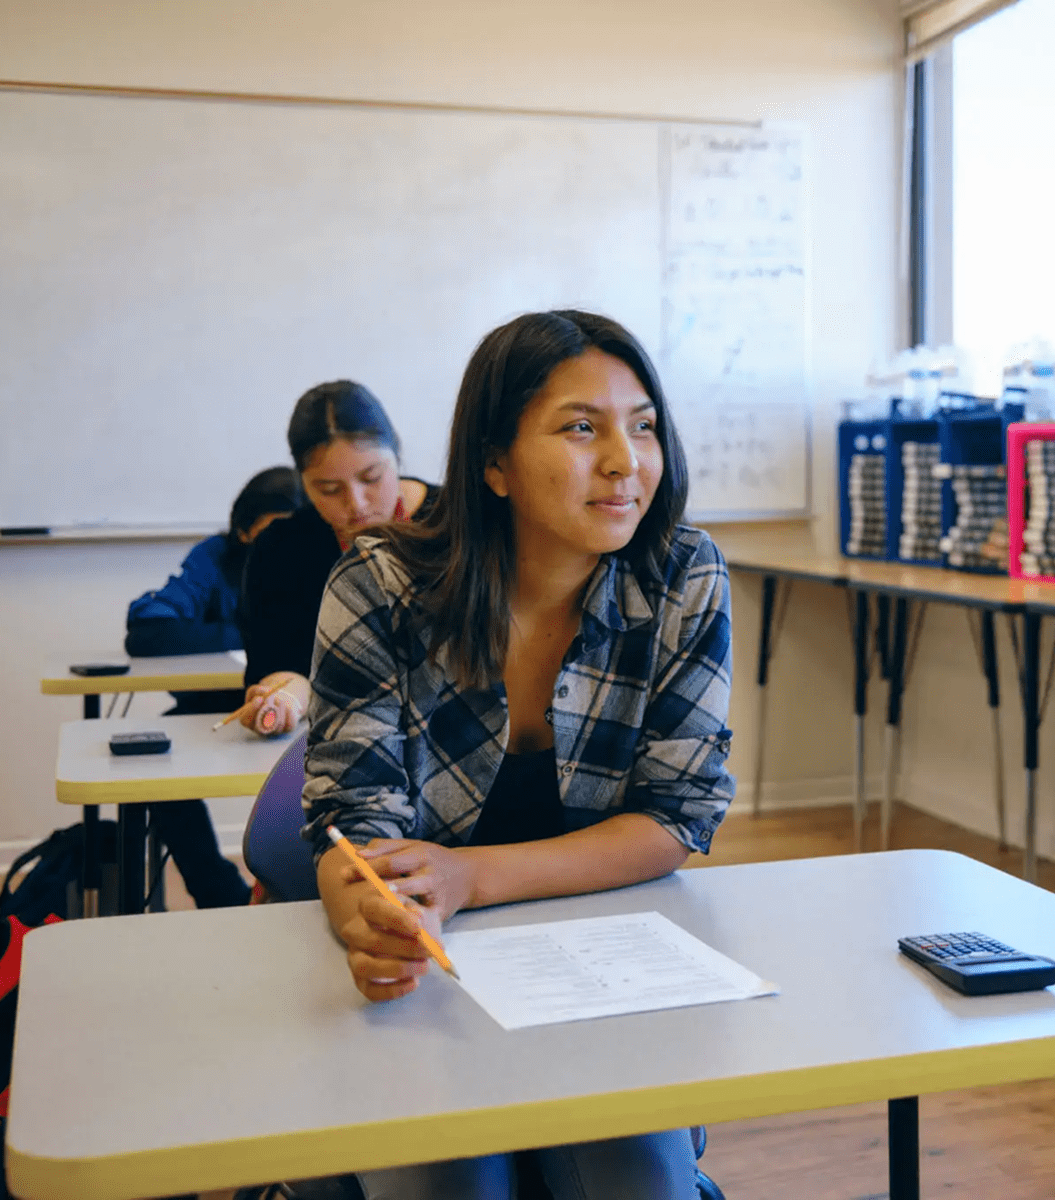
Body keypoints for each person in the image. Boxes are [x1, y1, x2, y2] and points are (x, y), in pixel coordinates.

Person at [303, 311, 733, 1200]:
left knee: (640, 1186)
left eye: (643, 425)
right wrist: (372, 923)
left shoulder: (683, 576)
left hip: (602, 963)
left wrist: (470, 876)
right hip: (437, 978)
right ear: (493, 462)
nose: (625, 460)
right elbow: (357, 833)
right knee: (455, 1183)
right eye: (583, 427)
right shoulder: (379, 587)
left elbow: (677, 818)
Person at [121, 465, 300, 909]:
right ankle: (217, 894)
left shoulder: (312, 557)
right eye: (268, 535)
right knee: (156, 763)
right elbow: (148, 628)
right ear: (242, 531)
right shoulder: (215, 558)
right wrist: (249, 632)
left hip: (303, 703)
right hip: (224, 703)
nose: (279, 549)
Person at [236, 381, 437, 736]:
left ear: (397, 456)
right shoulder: (281, 549)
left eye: (371, 477)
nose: (356, 503)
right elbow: (285, 664)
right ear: (304, 483)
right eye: (329, 489)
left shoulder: (458, 524)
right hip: (344, 742)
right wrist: (282, 700)